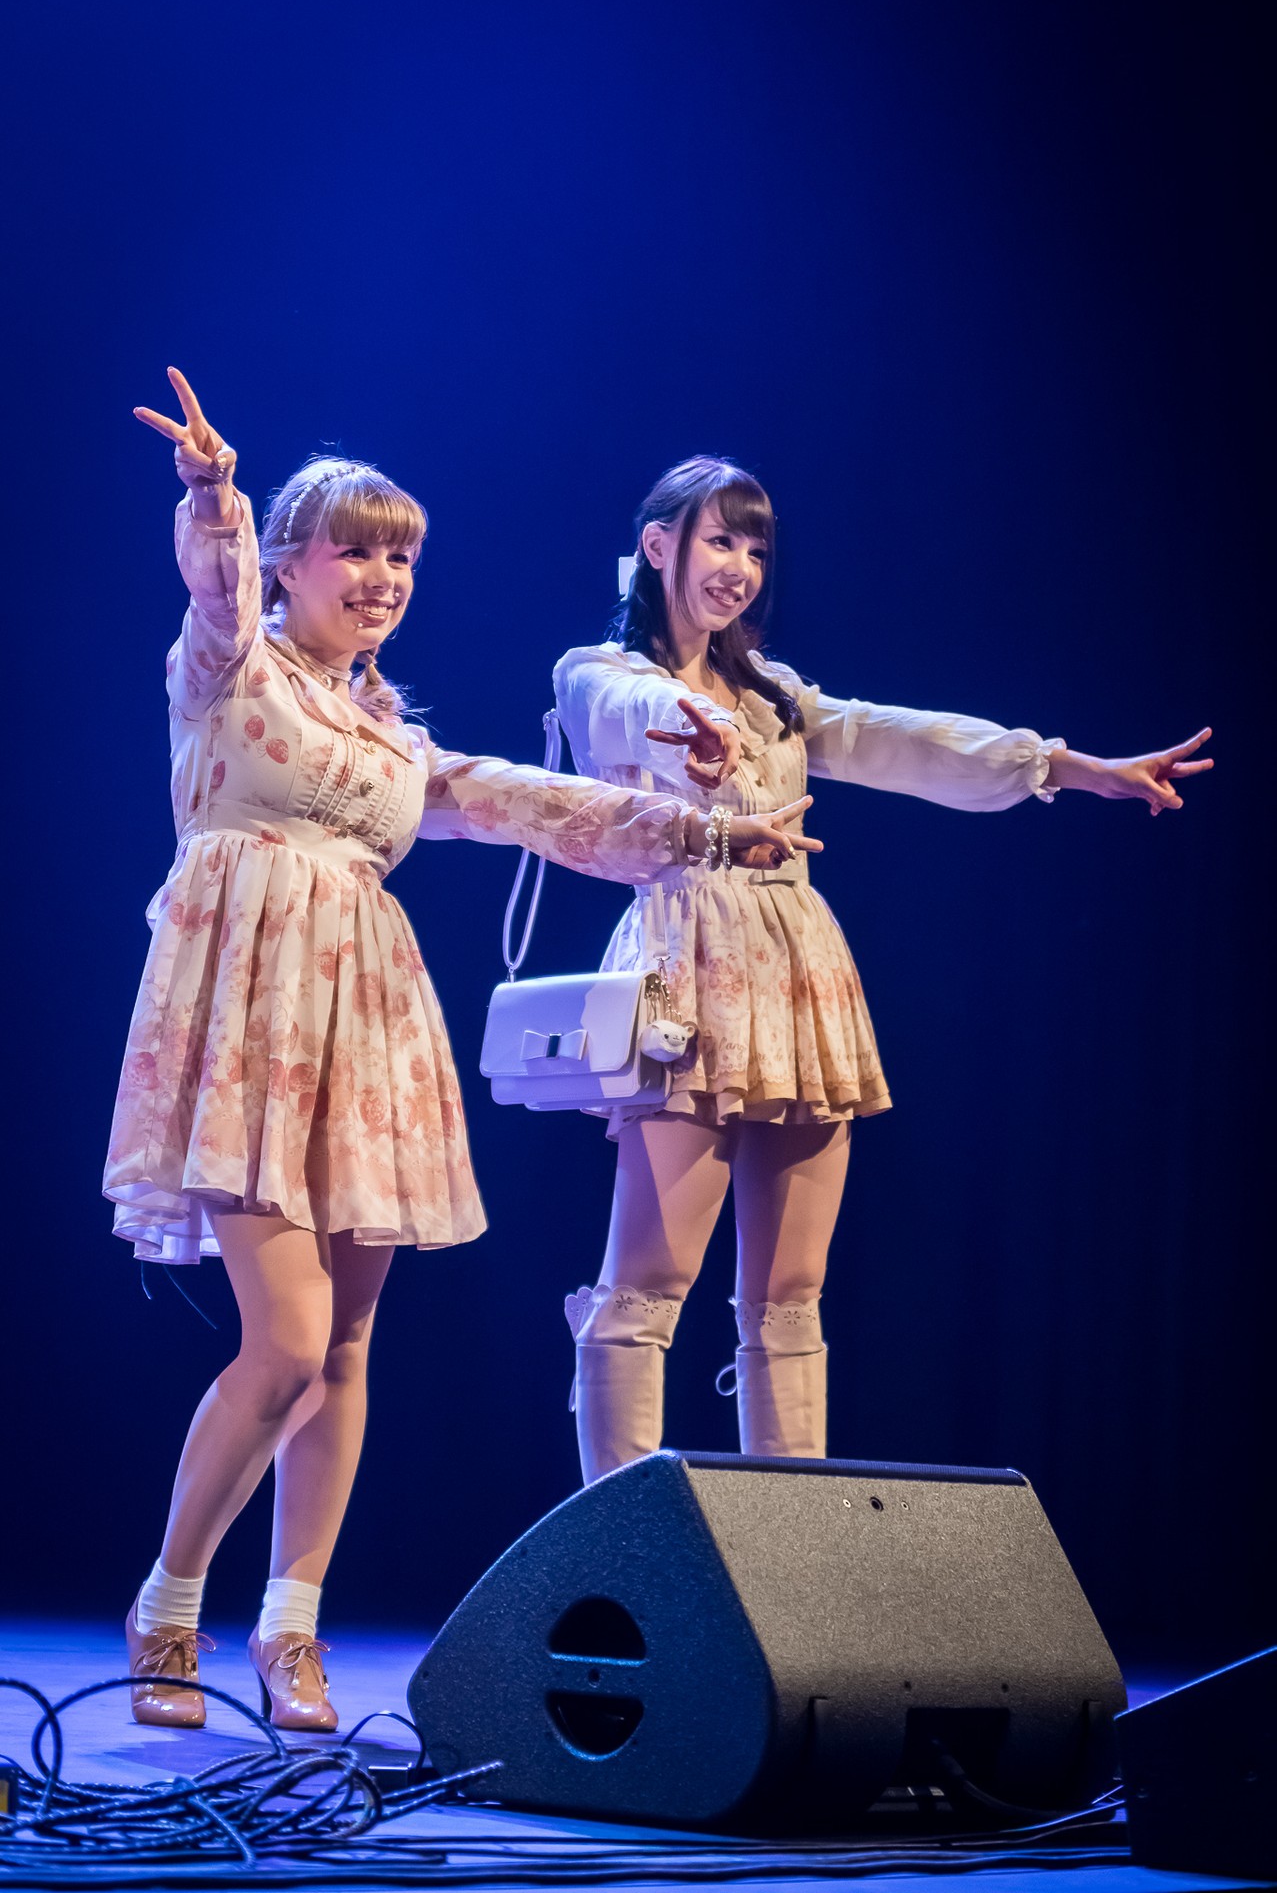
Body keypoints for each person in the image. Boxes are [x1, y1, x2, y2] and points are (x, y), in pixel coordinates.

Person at [106, 378, 818, 1734]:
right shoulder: (229, 669)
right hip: (248, 1020)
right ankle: (169, 1603)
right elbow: (216, 588)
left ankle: (291, 1627)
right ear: (292, 565)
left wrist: (708, 833)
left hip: (362, 1021)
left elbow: (520, 800)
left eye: (402, 560)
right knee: (285, 1341)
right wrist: (212, 496)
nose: (382, 580)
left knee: (346, 1344)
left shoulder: (388, 737)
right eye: (356, 552)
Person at [554, 455, 1213, 1484]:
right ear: (656, 545)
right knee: (646, 1279)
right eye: (718, 540)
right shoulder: (597, 672)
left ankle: (788, 1543)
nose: (738, 567)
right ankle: (616, 1534)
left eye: (754, 549)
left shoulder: (772, 694)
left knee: (790, 1291)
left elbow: (895, 738)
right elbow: (620, 709)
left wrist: (1066, 767)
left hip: (796, 970)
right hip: (686, 960)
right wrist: (693, 732)